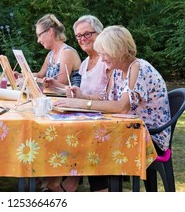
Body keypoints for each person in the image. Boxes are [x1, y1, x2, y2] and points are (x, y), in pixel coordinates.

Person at [54, 25, 171, 159]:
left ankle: (72, 180)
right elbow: (106, 100)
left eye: (105, 54)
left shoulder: (138, 68)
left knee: (93, 142)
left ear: (119, 50)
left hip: (151, 138)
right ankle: (68, 179)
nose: (102, 59)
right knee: (85, 137)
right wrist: (81, 96)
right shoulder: (117, 70)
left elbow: (122, 107)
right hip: (131, 130)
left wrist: (80, 104)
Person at [44, 15, 110, 192]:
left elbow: (111, 99)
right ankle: (58, 180)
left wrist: (81, 99)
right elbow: (81, 95)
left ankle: (67, 184)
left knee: (83, 135)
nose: (83, 39)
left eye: (87, 34)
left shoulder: (108, 62)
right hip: (90, 116)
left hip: (106, 120)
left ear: (100, 33)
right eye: (79, 36)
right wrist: (59, 87)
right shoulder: (86, 63)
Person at [27, 14, 81, 88]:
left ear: (50, 31)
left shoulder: (67, 52)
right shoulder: (50, 55)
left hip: (71, 99)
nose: (38, 40)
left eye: (39, 35)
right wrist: (22, 76)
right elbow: (40, 74)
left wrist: (31, 79)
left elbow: (58, 84)